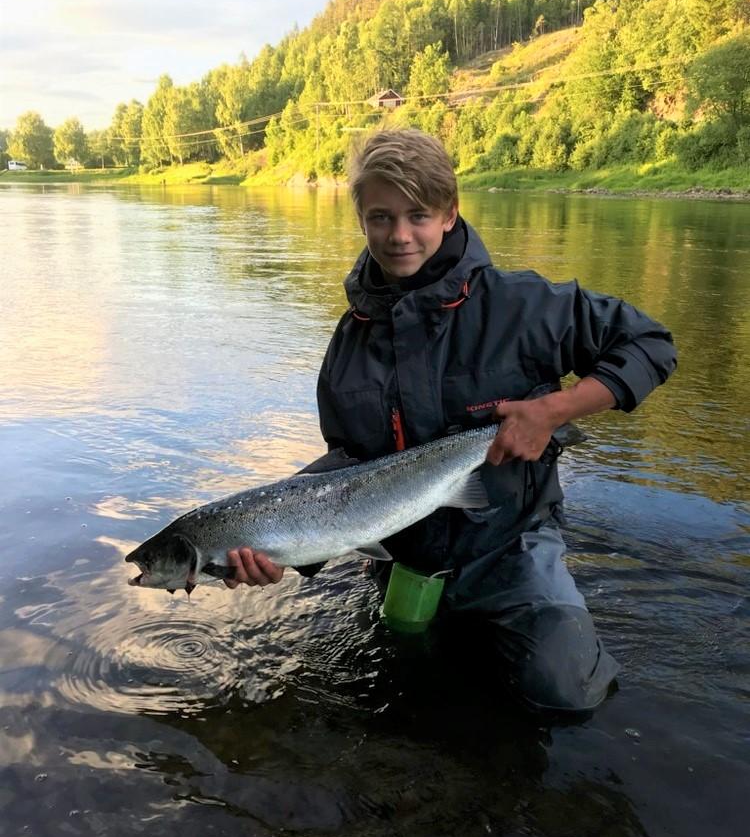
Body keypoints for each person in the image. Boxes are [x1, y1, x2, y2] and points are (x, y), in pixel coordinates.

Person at [225, 129, 677, 714]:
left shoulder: (522, 306)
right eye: (381, 216)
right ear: (360, 219)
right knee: (407, 694)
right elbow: (344, 471)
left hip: (509, 544)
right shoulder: (348, 345)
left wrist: (552, 410)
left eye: (418, 214)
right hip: (404, 561)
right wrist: (277, 545)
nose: (400, 234)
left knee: (563, 693)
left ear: (449, 214)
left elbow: (649, 343)